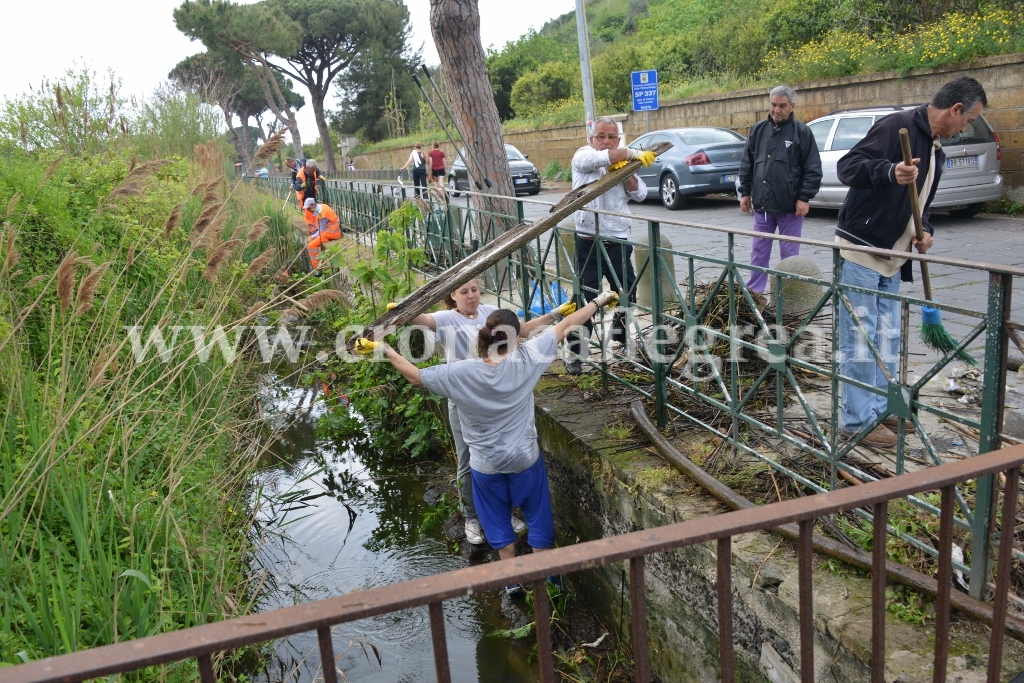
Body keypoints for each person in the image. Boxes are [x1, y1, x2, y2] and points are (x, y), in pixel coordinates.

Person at [355, 291, 619, 594]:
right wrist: (597, 302)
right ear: (515, 338)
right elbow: (566, 326)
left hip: (486, 466)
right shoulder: (527, 358)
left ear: (484, 337)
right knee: (537, 514)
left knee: (495, 519)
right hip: (524, 460)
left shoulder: (460, 373)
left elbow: (415, 376)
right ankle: (544, 576)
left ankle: (511, 582)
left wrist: (385, 348)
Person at [835, 76, 987, 448]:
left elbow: (924, 202)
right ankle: (856, 422)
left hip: (894, 256)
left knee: (885, 340)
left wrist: (926, 230)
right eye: (967, 121)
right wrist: (889, 173)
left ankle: (878, 411)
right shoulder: (896, 126)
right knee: (861, 340)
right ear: (954, 110)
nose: (966, 127)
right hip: (862, 250)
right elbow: (848, 166)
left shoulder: (935, 148)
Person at [391, 277, 576, 545]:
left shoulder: (490, 313)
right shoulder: (445, 319)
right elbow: (421, 320)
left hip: (498, 391)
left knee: (504, 458)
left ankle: (504, 514)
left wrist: (555, 315)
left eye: (475, 290)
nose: (471, 296)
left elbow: (521, 329)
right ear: (452, 295)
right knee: (470, 461)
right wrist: (403, 310)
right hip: (466, 400)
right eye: (464, 291)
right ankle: (471, 517)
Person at [565, 116, 656, 375]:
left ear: (618, 138)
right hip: (588, 243)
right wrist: (628, 153)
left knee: (626, 292)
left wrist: (627, 174)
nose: (606, 142)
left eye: (612, 137)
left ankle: (621, 335)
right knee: (584, 299)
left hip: (617, 241)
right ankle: (576, 353)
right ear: (592, 138)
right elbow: (593, 160)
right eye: (601, 136)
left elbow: (640, 194)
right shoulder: (584, 155)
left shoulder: (622, 162)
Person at [737, 85, 823, 294]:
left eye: (782, 106)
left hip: (790, 208)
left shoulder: (802, 132)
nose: (777, 110)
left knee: (790, 255)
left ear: (792, 106)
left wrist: (804, 197)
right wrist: (745, 192)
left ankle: (788, 294)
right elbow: (747, 163)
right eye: (773, 105)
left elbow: (812, 169)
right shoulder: (758, 130)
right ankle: (755, 294)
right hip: (763, 207)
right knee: (758, 253)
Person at [302, 197, 341, 271]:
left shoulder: (321, 213)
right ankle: (318, 265)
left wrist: (312, 237)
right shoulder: (322, 206)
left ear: (313, 205)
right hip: (330, 231)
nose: (308, 210)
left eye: (308, 208)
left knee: (311, 246)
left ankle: (317, 268)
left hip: (330, 233)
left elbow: (321, 229)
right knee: (311, 242)